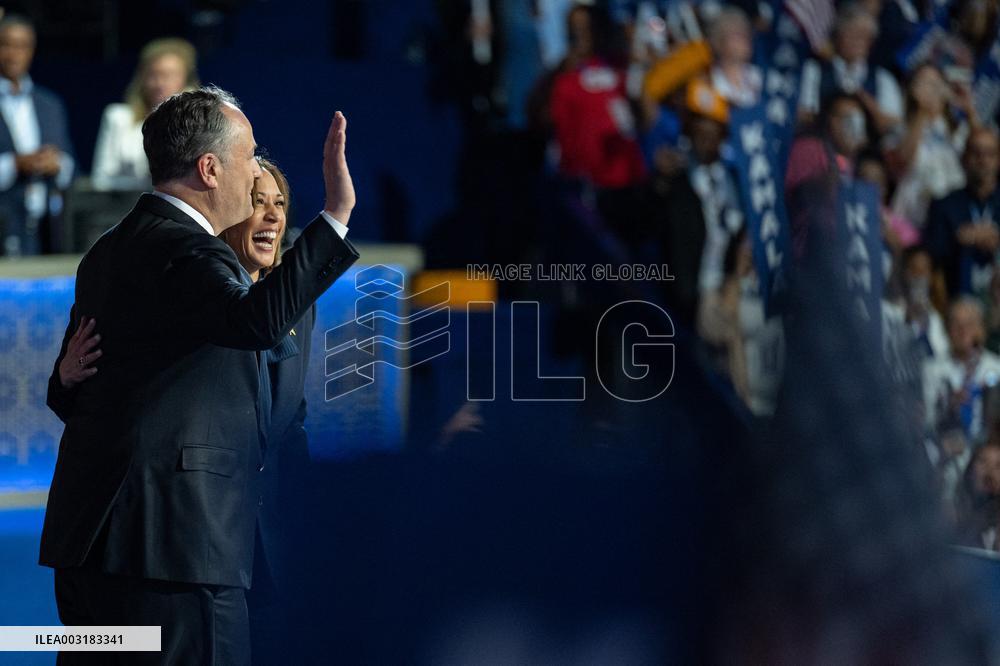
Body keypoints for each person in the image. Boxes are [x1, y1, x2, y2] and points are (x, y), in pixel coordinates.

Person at [40, 86, 359, 665]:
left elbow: (81, 388)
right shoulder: (188, 251)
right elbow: (253, 322)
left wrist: (62, 380)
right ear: (210, 169)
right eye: (247, 159)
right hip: (177, 552)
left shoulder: (108, 251)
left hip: (93, 550)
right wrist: (335, 217)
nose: (252, 174)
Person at [0, 14, 73, 256]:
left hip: (47, 230)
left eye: (22, 46)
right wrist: (15, 164)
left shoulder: (49, 103)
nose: (13, 54)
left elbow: (71, 163)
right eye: (6, 44)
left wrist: (57, 163)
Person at [91, 38, 199, 191]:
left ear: (186, 80)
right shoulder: (118, 117)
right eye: (154, 75)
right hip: (125, 207)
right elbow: (100, 180)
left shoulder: (196, 125)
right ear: (142, 78)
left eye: (170, 75)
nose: (160, 83)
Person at [889, 63, 973, 229]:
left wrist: (970, 111)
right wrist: (922, 112)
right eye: (923, 83)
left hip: (951, 205)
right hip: (914, 208)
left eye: (935, 84)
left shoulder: (959, 128)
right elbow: (903, 161)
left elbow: (983, 153)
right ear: (912, 90)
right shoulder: (902, 127)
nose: (929, 90)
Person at [799, 3, 904, 136]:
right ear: (838, 37)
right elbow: (803, 114)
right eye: (852, 35)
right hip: (820, 145)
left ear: (871, 43)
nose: (857, 42)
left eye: (864, 37)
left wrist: (862, 97)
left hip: (866, 153)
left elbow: (894, 126)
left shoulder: (882, 78)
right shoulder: (814, 70)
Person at [924, 127, 1000, 299]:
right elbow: (931, 257)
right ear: (964, 159)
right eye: (976, 153)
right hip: (958, 302)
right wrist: (958, 239)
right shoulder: (944, 205)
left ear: (998, 160)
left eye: (990, 154)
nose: (983, 160)